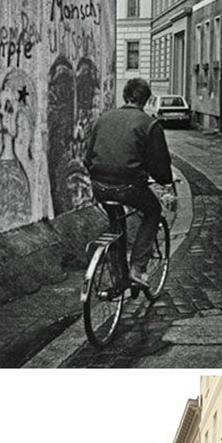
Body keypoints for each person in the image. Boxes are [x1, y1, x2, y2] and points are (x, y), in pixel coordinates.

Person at [84, 77, 174, 287]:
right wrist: (165, 181)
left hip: (99, 186)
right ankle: (137, 268)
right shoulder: (149, 125)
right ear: (146, 99)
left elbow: (87, 158)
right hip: (129, 187)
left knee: (117, 221)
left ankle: (119, 276)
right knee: (153, 210)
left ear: (125, 96)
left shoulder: (103, 119)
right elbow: (160, 167)